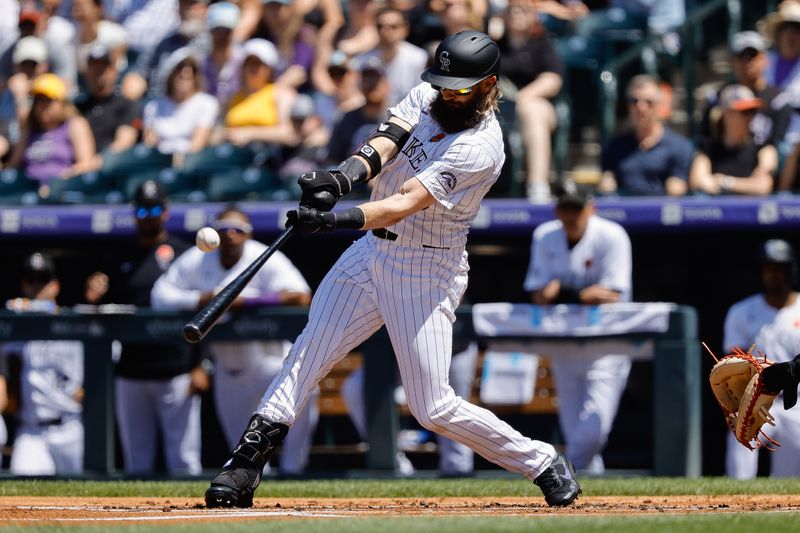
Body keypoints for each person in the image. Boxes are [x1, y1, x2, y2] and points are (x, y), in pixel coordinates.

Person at [204, 30, 580, 509]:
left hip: (426, 268)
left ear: (488, 86)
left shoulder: (482, 147)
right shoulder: (428, 94)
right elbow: (386, 141)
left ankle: (543, 460)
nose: (447, 93)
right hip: (371, 254)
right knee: (307, 354)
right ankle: (244, 466)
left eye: (460, 87)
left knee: (433, 407)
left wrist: (334, 219)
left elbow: (405, 203)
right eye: (443, 82)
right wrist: (341, 177)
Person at [151, 205, 318, 475]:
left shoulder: (262, 256)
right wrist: (202, 298)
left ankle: (294, 468)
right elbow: (160, 295)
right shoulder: (198, 258)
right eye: (223, 228)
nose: (229, 234)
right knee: (241, 451)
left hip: (268, 362)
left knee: (306, 388)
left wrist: (248, 301)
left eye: (237, 229)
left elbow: (300, 295)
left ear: (247, 235)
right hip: (227, 370)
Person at [83, 180, 207, 475]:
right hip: (131, 369)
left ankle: (196, 522)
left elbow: (205, 311)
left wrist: (203, 363)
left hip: (176, 368)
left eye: (154, 208)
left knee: (184, 460)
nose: (147, 215)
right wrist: (93, 294)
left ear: (165, 212)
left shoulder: (184, 253)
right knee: (137, 460)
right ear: (133, 212)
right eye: (141, 209)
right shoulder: (118, 254)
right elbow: (103, 309)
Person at [524, 180, 633, 475]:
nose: (571, 216)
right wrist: (581, 294)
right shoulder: (545, 235)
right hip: (564, 344)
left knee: (596, 430)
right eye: (565, 208)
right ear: (557, 210)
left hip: (608, 345)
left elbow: (612, 295)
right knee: (576, 433)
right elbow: (538, 294)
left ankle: (559, 474)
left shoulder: (611, 235)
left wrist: (561, 290)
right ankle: (586, 492)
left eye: (577, 208)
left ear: (591, 208)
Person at [722, 239, 800, 478]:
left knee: (790, 482)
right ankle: (733, 510)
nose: (773, 275)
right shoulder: (742, 311)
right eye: (768, 269)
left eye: (779, 269)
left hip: (796, 403)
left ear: (789, 270)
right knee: (740, 473)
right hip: (756, 399)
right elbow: (731, 365)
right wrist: (736, 403)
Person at [1, 253, 83, 475]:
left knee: (86, 497)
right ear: (23, 285)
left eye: (43, 281)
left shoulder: (75, 323)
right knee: (24, 484)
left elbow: (110, 356)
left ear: (55, 285)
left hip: (70, 426)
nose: (36, 287)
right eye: (31, 281)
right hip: (31, 431)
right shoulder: (15, 331)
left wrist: (91, 392)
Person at [497, 1, 564, 202]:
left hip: (538, 108)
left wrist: (520, 98)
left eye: (523, 10)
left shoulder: (542, 45)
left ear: (533, 17)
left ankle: (537, 186)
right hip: (498, 108)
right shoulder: (495, 47)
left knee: (531, 110)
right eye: (511, 10)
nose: (516, 14)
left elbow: (552, 80)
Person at [700, 32, 791, 161]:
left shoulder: (779, 100)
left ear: (765, 59)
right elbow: (705, 142)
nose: (748, 62)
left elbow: (779, 148)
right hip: (723, 165)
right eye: (741, 56)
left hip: (763, 170)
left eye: (753, 55)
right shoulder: (718, 98)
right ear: (732, 61)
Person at [599, 75, 694, 196]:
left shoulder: (680, 147)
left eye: (648, 102)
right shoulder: (613, 146)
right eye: (634, 101)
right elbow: (607, 182)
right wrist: (606, 184)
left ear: (660, 105)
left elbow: (676, 191)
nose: (641, 107)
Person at [7, 72, 96, 188]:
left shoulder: (75, 124)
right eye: (38, 100)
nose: (42, 106)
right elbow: (13, 165)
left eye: (48, 100)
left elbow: (86, 164)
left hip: (62, 190)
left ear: (62, 103)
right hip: (28, 189)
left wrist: (57, 182)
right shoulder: (30, 129)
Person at [690, 84, 777, 196]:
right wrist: (747, 185)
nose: (750, 117)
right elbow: (698, 181)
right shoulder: (709, 148)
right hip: (715, 212)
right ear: (727, 113)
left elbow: (763, 186)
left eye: (753, 111)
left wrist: (724, 182)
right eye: (745, 112)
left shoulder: (762, 146)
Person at [142, 47, 219, 161]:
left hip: (190, 164)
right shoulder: (153, 107)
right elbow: (149, 143)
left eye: (192, 69)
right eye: (179, 68)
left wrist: (179, 161)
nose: (185, 74)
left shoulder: (207, 104)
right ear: (170, 73)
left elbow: (198, 144)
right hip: (158, 162)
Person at [220, 38, 298, 148]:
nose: (253, 68)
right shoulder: (234, 97)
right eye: (249, 63)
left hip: (266, 157)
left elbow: (288, 133)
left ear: (269, 68)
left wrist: (250, 134)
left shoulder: (280, 93)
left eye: (258, 63)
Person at [75, 43, 140, 163]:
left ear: (114, 71)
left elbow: (124, 143)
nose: (99, 72)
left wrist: (96, 162)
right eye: (94, 67)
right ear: (87, 72)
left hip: (113, 168)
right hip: (81, 167)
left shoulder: (127, 105)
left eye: (104, 67)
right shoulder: (78, 107)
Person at [357, 7, 428, 107]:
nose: (386, 31)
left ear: (405, 28)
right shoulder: (363, 60)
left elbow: (423, 97)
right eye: (380, 26)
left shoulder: (419, 58)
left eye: (393, 26)